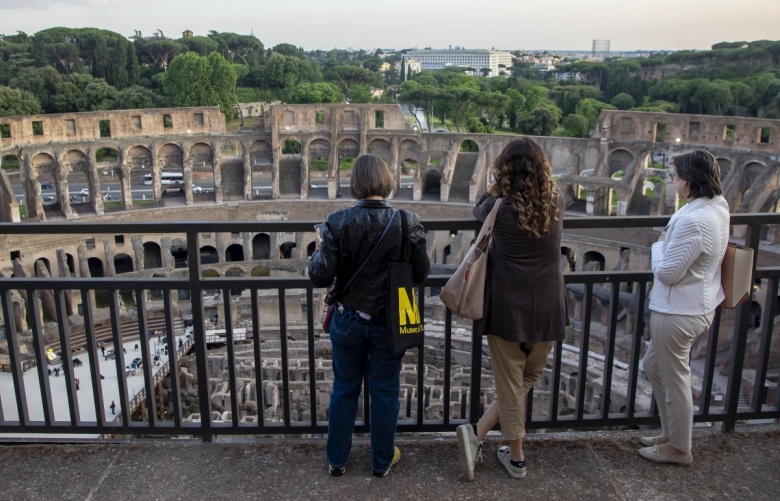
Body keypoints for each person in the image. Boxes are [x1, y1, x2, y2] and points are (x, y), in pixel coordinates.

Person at [309, 154, 430, 477]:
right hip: (390, 322)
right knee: (386, 390)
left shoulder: (336, 221)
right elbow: (420, 274)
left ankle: (337, 460)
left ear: (356, 185)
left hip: (348, 321)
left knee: (344, 389)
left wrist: (319, 247)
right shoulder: (409, 222)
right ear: (386, 181)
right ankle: (381, 462)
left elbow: (320, 276)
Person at [456, 138, 567, 481]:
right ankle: (478, 434)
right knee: (525, 379)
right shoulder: (557, 202)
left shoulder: (497, 208)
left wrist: (496, 182)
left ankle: (513, 457)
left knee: (510, 384)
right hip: (548, 306)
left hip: (507, 309)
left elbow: (479, 207)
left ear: (505, 170)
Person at [640, 150, 729, 466]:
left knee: (676, 381)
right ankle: (672, 434)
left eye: (675, 176)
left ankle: (679, 448)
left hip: (678, 312)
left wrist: (658, 245)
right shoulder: (718, 207)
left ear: (688, 181)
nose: (673, 181)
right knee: (653, 367)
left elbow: (666, 272)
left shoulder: (693, 220)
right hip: (697, 306)